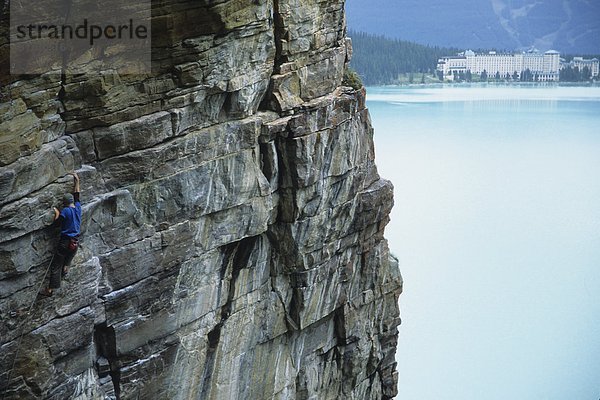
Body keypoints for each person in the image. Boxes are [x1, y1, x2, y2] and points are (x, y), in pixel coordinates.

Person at [39, 172, 82, 297]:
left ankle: (50, 290)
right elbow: (77, 195)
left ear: (64, 203)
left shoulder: (65, 211)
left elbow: (57, 224)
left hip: (65, 242)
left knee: (56, 265)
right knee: (66, 261)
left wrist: (57, 213)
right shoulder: (78, 208)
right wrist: (77, 181)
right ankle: (65, 271)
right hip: (75, 242)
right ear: (72, 201)